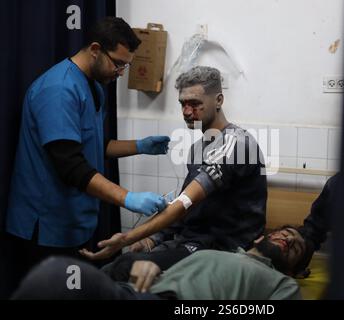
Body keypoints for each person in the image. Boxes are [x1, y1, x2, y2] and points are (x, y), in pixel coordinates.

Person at [5, 17, 170, 272]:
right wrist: (128, 198)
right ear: (95, 50)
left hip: (74, 221)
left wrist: (140, 145)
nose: (121, 73)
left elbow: (94, 146)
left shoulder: (94, 86)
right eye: (118, 64)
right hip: (46, 224)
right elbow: (70, 164)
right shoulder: (59, 90)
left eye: (126, 66)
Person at [79, 66, 268, 278]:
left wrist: (127, 238)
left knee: (123, 269)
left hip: (224, 250)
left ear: (218, 100)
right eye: (183, 104)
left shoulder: (236, 144)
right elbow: (189, 209)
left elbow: (182, 205)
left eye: (195, 104)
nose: (187, 111)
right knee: (121, 269)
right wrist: (153, 239)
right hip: (193, 242)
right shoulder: (199, 147)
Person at [12, 226, 312, 300]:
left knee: (54, 274)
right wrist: (137, 263)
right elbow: (123, 265)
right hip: (136, 293)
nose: (288, 239)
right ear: (260, 239)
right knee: (65, 276)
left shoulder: (282, 284)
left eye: (295, 246)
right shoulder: (210, 251)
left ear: (294, 269)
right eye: (283, 233)